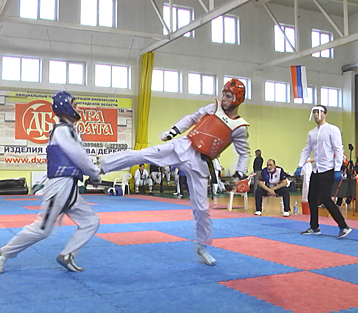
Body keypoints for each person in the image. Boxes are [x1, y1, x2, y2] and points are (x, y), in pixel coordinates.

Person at [100, 78, 251, 266]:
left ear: (237, 99)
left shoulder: (239, 127)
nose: (224, 98)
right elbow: (191, 118)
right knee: (144, 155)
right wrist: (173, 130)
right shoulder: (213, 108)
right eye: (223, 94)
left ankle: (203, 246)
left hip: (201, 163)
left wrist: (239, 173)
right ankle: (101, 167)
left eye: (228, 96)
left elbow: (244, 153)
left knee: (202, 209)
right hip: (184, 146)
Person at [0, 91, 101, 274]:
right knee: (43, 229)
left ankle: (68, 255)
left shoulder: (69, 130)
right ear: (66, 107)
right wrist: (95, 173)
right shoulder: (63, 131)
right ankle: (4, 253)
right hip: (60, 188)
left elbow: (78, 159)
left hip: (70, 188)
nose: (78, 108)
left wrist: (92, 173)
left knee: (91, 221)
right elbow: (80, 157)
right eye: (75, 105)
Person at [295, 105, 352, 238]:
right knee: (311, 198)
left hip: (328, 169)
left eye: (319, 112)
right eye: (314, 112)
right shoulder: (312, 133)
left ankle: (344, 226)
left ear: (325, 114)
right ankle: (314, 227)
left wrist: (338, 169)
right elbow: (307, 150)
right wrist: (300, 165)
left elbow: (338, 150)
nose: (316, 115)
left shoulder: (332, 130)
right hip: (317, 169)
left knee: (326, 198)